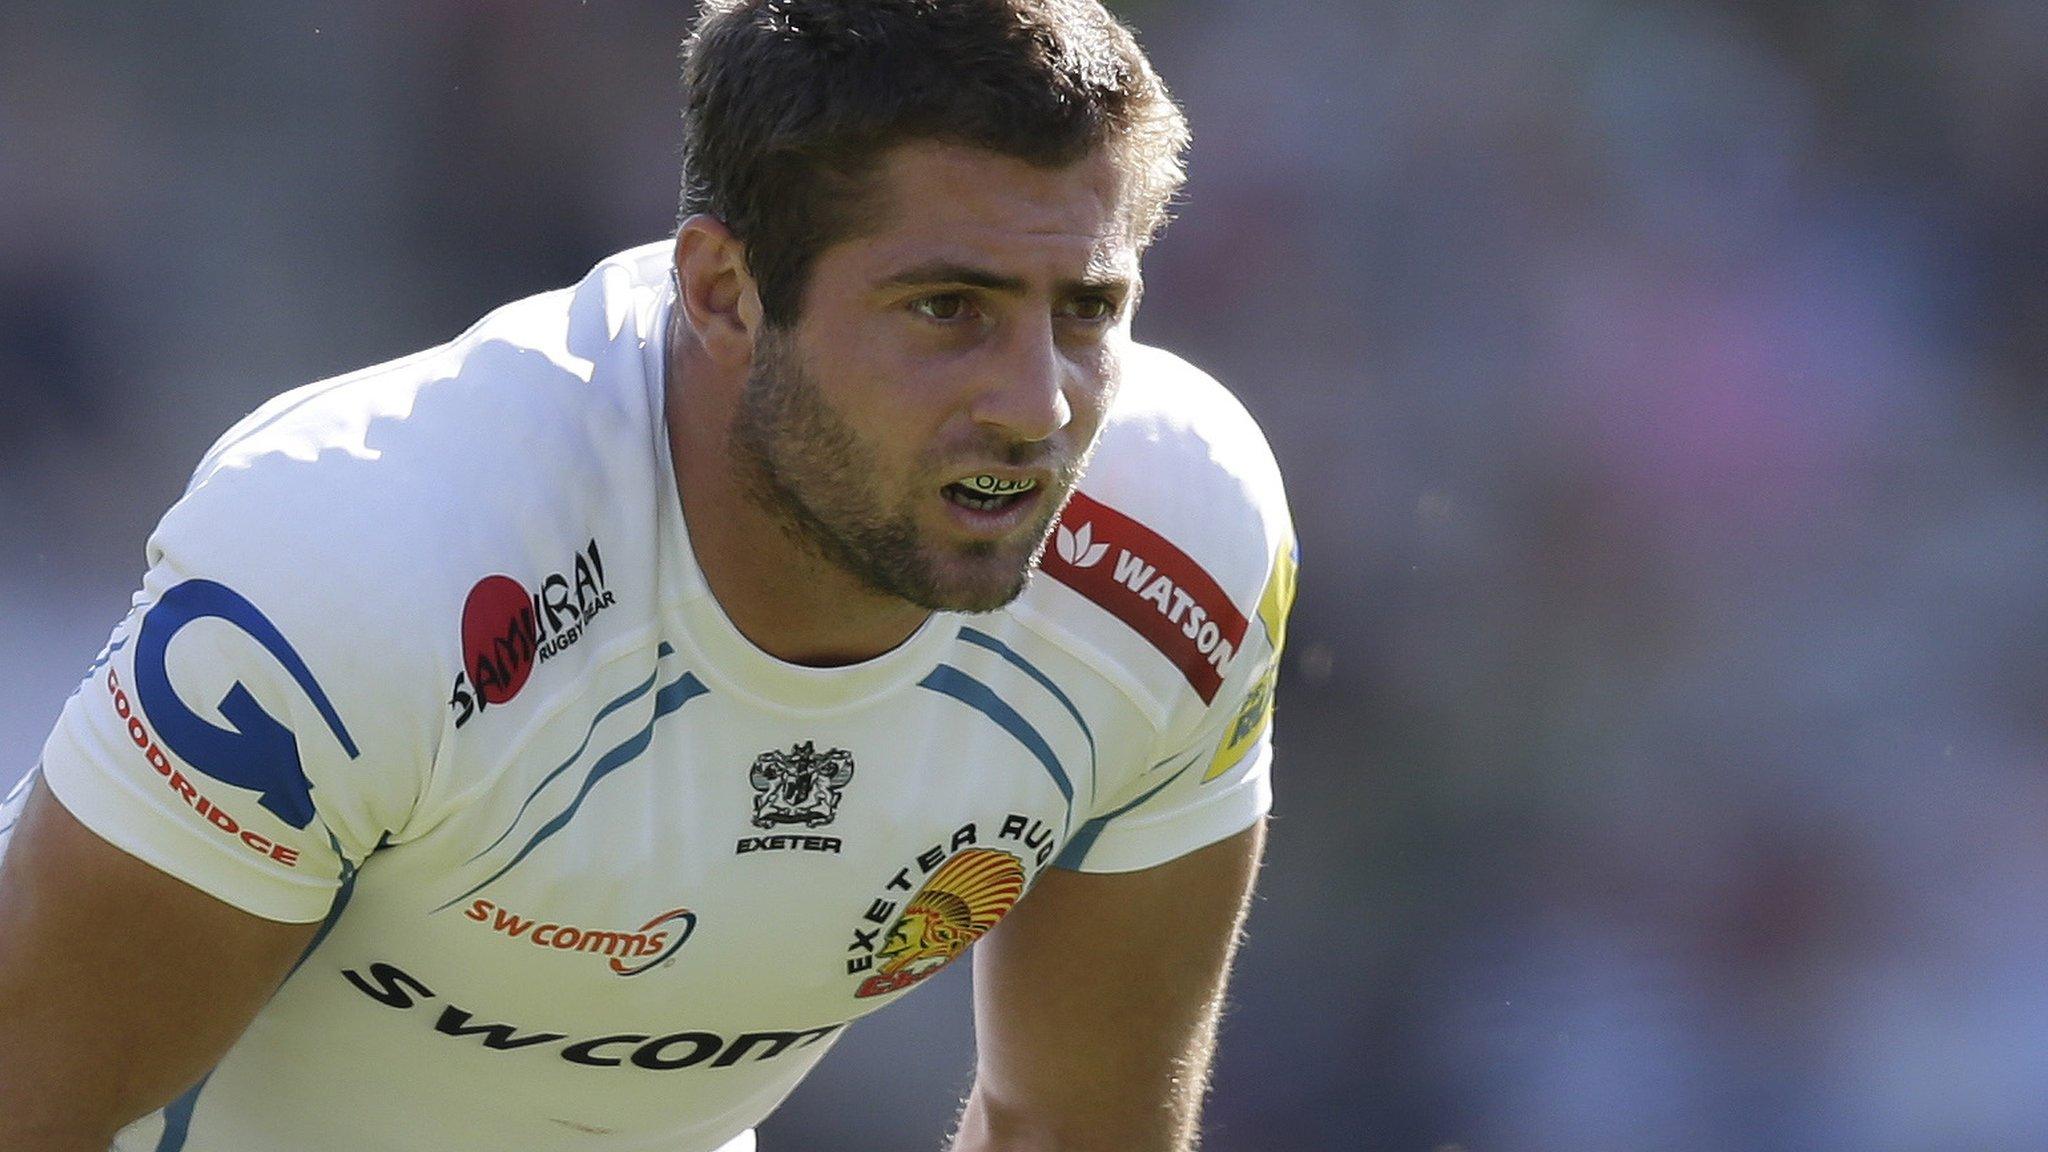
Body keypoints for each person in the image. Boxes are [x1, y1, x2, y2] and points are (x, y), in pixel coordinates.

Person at [0, 1, 1297, 1148]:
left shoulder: (1178, 549)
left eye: (1086, 310)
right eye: (946, 309)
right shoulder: (379, 563)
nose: (1036, 406)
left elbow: (1076, 1128)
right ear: (725, 294)